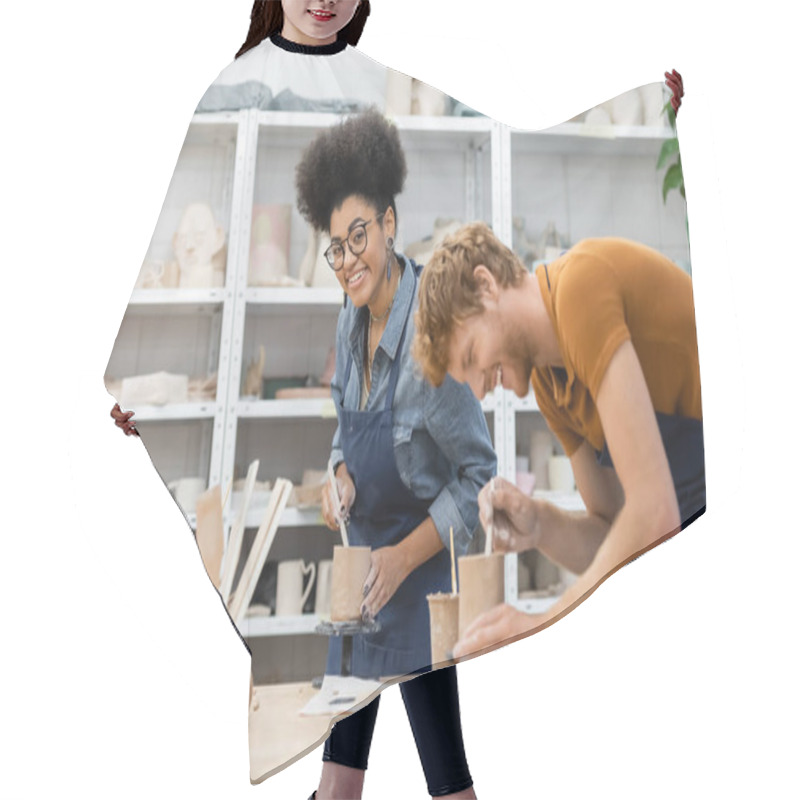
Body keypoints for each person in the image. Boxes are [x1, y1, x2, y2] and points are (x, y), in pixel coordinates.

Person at [296, 108, 494, 800]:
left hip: (416, 590)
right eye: (335, 248)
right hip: (358, 586)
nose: (349, 260)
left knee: (448, 782)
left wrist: (404, 558)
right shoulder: (348, 318)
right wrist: (339, 475)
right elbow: (344, 428)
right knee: (336, 780)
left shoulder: (430, 344)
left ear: (388, 223)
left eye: (360, 237)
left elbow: (481, 476)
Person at [413, 222, 704, 660]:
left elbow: (653, 513)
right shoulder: (551, 386)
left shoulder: (579, 288)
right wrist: (540, 524)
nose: (478, 390)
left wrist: (539, 623)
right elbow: (612, 537)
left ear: (486, 285)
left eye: (472, 356)